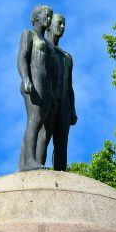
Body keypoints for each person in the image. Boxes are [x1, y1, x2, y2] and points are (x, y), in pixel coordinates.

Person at [17, 5, 54, 171]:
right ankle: (29, 161)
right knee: (34, 120)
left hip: (46, 87)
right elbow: (22, 58)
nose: (49, 18)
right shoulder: (28, 34)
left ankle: (29, 160)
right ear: (36, 17)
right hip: (33, 84)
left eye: (50, 16)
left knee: (41, 125)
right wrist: (25, 78)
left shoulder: (47, 42)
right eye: (46, 15)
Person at [44, 13, 77, 170]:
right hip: (49, 100)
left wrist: (72, 109)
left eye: (64, 24)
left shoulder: (67, 57)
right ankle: (37, 168)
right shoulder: (44, 49)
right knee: (44, 136)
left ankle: (61, 171)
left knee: (62, 140)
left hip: (64, 103)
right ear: (49, 25)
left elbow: (70, 87)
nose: (63, 27)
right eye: (60, 23)